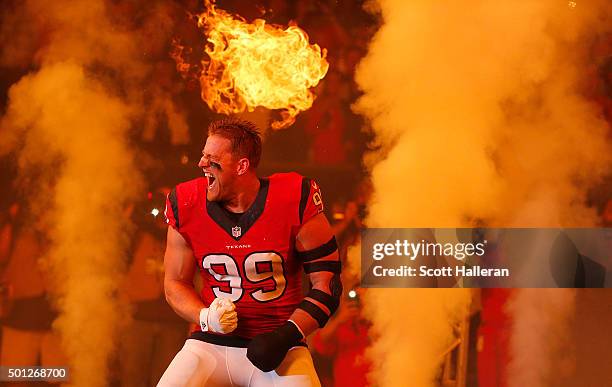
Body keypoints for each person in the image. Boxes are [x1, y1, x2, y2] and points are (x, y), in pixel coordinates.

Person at [158, 118, 342, 386]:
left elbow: (329, 284)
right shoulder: (186, 201)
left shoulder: (293, 197)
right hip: (210, 343)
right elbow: (174, 283)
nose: (201, 164)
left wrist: (286, 335)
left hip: (279, 346)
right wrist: (205, 317)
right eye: (203, 155)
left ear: (242, 165)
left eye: (212, 158)